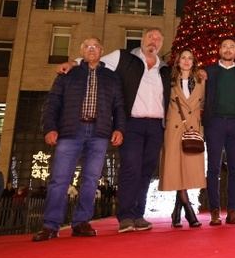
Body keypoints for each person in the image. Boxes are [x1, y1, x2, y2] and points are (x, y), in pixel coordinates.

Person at [58, 27, 171, 233]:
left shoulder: (164, 68)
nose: (153, 41)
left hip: (156, 126)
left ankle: (138, 214)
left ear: (162, 44)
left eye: (158, 38)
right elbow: (93, 60)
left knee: (146, 171)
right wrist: (73, 62)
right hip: (132, 124)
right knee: (131, 168)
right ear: (142, 38)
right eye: (150, 36)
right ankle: (126, 216)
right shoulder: (123, 57)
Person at [33, 37, 125, 242]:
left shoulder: (112, 77)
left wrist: (119, 128)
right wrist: (50, 128)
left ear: (102, 51)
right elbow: (53, 103)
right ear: (81, 52)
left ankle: (81, 222)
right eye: (87, 47)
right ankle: (50, 225)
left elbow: (118, 106)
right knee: (59, 180)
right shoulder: (68, 73)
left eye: (95, 47)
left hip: (99, 133)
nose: (91, 50)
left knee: (91, 180)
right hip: (70, 132)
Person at [158, 49, 206, 228]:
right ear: (177, 61)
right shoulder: (169, 81)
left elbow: (204, 102)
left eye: (190, 58)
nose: (186, 61)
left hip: (192, 128)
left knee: (186, 168)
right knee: (176, 167)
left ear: (194, 62)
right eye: (183, 58)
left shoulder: (201, 80)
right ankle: (187, 208)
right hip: (174, 127)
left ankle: (178, 208)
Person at [203, 38, 235, 225]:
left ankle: (232, 210)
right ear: (219, 50)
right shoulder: (209, 72)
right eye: (225, 46)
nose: (228, 50)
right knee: (213, 168)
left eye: (232, 47)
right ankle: (214, 210)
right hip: (215, 123)